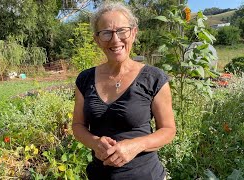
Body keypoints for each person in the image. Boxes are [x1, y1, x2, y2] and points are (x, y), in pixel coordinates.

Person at [72, 2, 176, 180]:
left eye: (122, 31)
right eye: (106, 33)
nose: (115, 39)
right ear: (97, 39)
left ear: (133, 33)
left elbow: (168, 130)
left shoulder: (154, 78)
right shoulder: (85, 79)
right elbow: (78, 126)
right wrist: (95, 142)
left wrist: (136, 145)